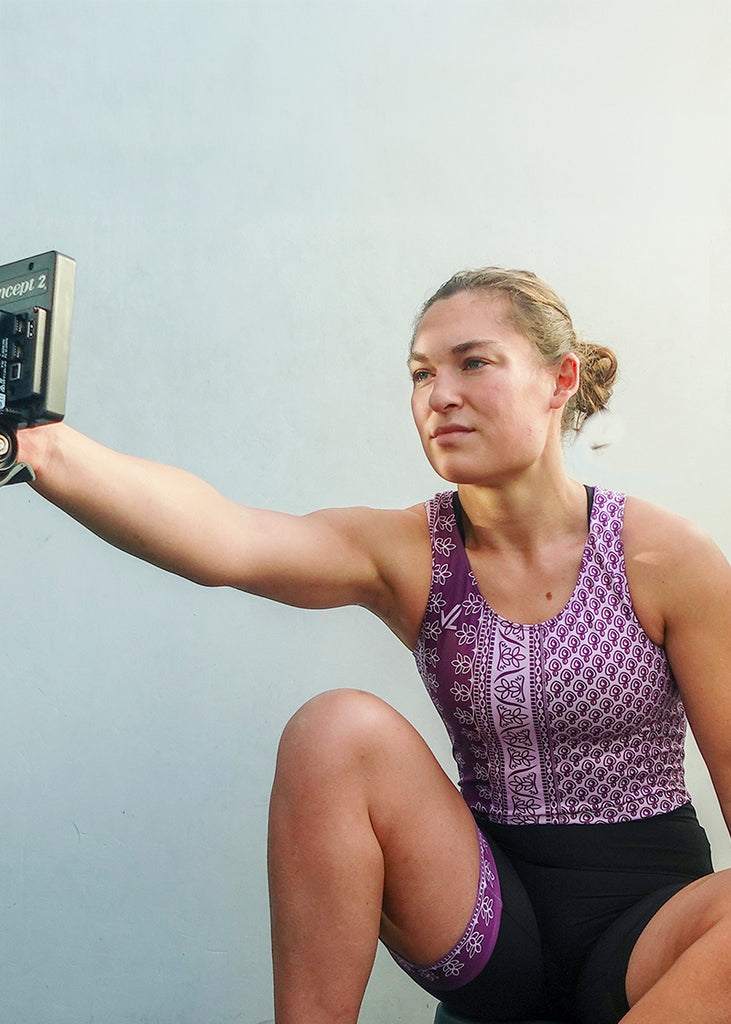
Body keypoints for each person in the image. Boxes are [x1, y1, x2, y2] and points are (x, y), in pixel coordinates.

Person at [16, 267, 731, 1024]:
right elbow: (227, 540)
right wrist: (39, 446)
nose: (439, 393)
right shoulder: (408, 552)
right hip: (488, 921)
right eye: (421, 373)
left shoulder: (662, 558)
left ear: (559, 380)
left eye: (472, 362)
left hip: (647, 929)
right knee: (336, 729)